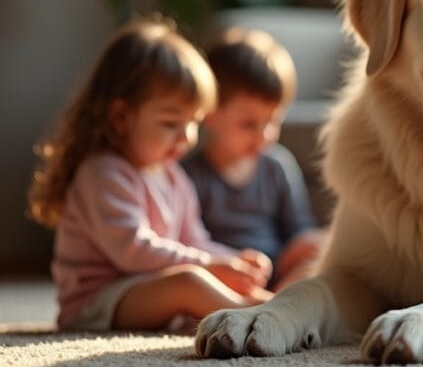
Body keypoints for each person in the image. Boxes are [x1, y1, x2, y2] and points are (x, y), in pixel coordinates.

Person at [29, 18, 273, 332]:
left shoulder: (173, 177)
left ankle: (276, 306)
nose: (188, 137)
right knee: (190, 281)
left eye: (194, 121)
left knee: (207, 277)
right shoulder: (102, 172)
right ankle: (255, 315)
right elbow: (134, 250)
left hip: (146, 288)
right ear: (121, 116)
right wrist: (211, 265)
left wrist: (234, 261)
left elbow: (195, 241)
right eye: (171, 123)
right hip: (98, 303)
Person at [181, 27, 324, 291]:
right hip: (224, 276)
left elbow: (299, 229)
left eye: (272, 121)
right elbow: (188, 244)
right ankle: (266, 307)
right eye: (248, 124)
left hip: (279, 274)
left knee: (321, 256)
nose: (264, 135)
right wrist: (231, 264)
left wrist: (308, 243)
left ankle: (277, 306)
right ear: (210, 114)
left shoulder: (277, 165)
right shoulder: (190, 175)